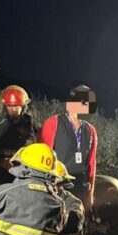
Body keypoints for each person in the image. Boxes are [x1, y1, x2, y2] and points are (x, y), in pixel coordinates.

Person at [40, 85, 98, 213]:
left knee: (79, 227)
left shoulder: (91, 131)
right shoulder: (53, 123)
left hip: (81, 190)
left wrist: (90, 193)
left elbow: (91, 165)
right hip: (58, 189)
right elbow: (42, 159)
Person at [0, 84, 38, 185]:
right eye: (10, 106)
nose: (13, 110)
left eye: (16, 106)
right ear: (5, 107)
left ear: (23, 107)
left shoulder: (31, 125)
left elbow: (37, 147)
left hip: (23, 175)